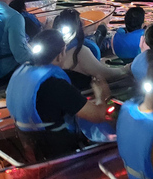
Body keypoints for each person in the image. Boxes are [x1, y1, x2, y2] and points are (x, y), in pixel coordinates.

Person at [6, 29, 111, 160]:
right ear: (60, 55)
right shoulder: (56, 86)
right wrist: (102, 95)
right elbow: (97, 116)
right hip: (58, 150)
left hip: (28, 144)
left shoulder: (20, 74)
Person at [53, 8, 130, 89]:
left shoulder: (53, 51)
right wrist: (126, 69)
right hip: (80, 95)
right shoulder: (79, 52)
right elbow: (105, 74)